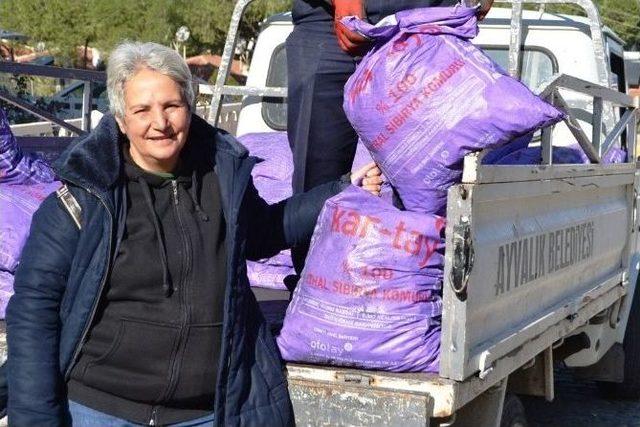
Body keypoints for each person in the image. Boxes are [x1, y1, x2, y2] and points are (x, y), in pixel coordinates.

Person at [6, 41, 382, 427]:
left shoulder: (221, 176)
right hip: (100, 410)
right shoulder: (85, 197)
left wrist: (339, 191)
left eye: (171, 106)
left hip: (205, 414)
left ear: (190, 105)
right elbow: (34, 312)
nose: (160, 122)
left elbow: (265, 232)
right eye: (142, 110)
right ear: (120, 119)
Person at [286, 0, 494, 279]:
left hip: (424, 22)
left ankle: (414, 297)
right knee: (318, 178)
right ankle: (312, 295)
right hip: (328, 24)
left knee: (426, 184)